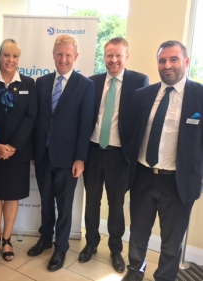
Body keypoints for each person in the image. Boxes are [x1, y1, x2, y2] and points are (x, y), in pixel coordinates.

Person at [122, 40, 203, 281]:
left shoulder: (200, 96)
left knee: (171, 242)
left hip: (178, 183)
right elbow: (129, 134)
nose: (167, 65)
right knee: (137, 234)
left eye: (173, 59)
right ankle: (135, 272)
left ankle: (164, 278)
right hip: (143, 177)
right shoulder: (142, 95)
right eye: (162, 60)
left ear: (186, 62)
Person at [80, 37, 149, 272]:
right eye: (109, 55)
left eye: (118, 55)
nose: (114, 59)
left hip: (120, 156)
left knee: (116, 204)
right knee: (91, 202)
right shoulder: (93, 82)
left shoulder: (140, 81)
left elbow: (142, 123)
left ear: (126, 57)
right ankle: (90, 243)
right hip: (93, 151)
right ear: (104, 57)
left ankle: (116, 248)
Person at [27, 34, 95, 271]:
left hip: (68, 159)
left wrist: (80, 158)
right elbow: (38, 120)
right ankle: (45, 238)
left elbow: (86, 124)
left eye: (68, 55)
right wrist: (34, 152)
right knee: (45, 201)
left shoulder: (86, 85)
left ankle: (61, 247)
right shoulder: (42, 82)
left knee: (64, 206)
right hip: (44, 155)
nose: (63, 59)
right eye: (59, 54)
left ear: (75, 57)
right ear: (53, 55)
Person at [0, 39, 37, 261]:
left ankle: (7, 239)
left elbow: (31, 116)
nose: (10, 60)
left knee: (12, 196)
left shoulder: (28, 83)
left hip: (19, 151)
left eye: (15, 56)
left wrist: (13, 145)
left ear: (19, 59)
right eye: (6, 55)